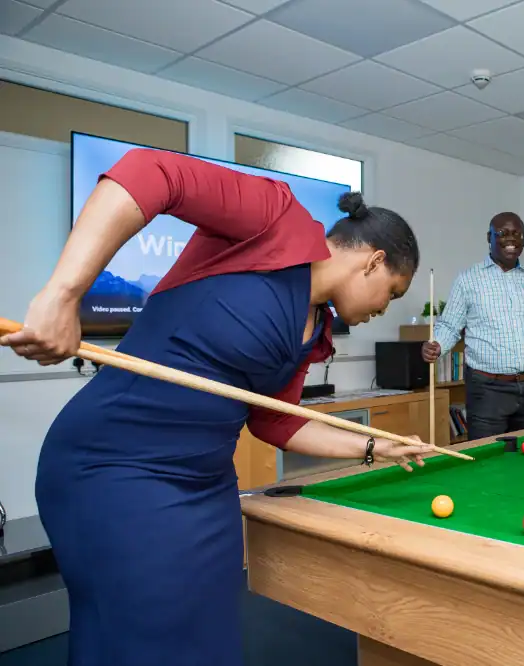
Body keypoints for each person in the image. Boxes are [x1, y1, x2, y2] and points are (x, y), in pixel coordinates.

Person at [0, 148, 433, 665]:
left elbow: (275, 422)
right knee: (136, 639)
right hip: (115, 468)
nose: (384, 308)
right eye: (392, 293)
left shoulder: (316, 330)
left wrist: (371, 445)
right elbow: (148, 172)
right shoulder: (275, 218)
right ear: (373, 260)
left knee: (208, 641)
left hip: (205, 490)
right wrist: (64, 294)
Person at [421, 211, 524, 440]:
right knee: (485, 462)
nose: (511, 240)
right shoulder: (468, 280)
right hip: (487, 391)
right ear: (489, 237)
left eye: (517, 234)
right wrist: (436, 345)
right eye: (502, 234)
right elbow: (449, 325)